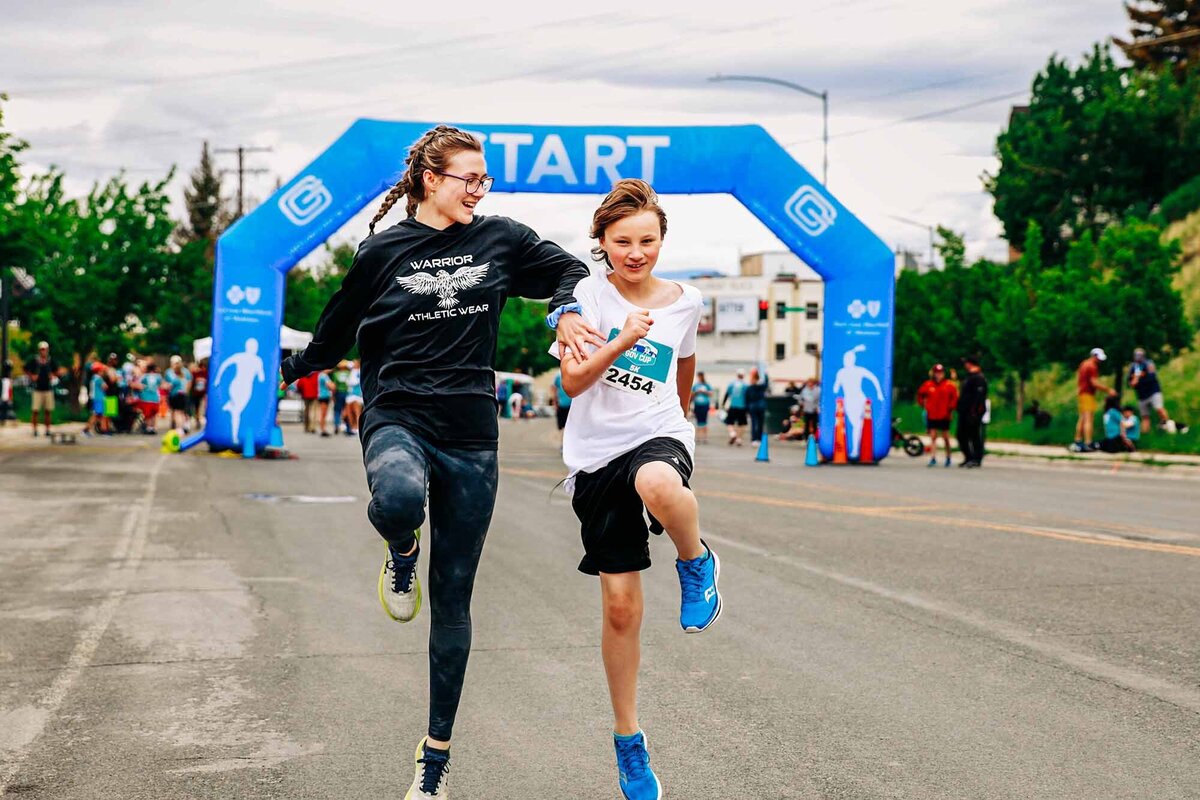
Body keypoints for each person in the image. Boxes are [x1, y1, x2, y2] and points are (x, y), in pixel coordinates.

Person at [277, 124, 596, 800]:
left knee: (452, 600)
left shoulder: (502, 239)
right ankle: (400, 550)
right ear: (431, 180)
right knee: (396, 500)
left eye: (485, 179)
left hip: (472, 433)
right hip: (398, 412)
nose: (481, 189)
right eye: (469, 178)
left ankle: (434, 759)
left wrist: (563, 310)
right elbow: (335, 329)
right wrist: (297, 366)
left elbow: (571, 268)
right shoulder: (382, 251)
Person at [553, 179, 720, 800]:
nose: (635, 251)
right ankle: (629, 740)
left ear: (661, 240)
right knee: (620, 608)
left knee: (657, 481)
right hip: (595, 458)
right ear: (601, 242)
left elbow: (683, 359)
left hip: (658, 437)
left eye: (647, 240)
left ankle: (695, 561)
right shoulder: (584, 299)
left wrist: (683, 419)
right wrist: (622, 339)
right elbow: (572, 383)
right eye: (622, 241)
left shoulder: (687, 299)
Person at [1127, 347, 1187, 434]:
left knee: (1159, 408)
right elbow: (1129, 381)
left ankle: (1169, 426)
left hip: (1153, 391)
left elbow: (1151, 377)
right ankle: (1145, 435)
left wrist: (1139, 377)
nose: (1138, 357)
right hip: (1142, 395)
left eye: (1139, 355)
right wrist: (1133, 381)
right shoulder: (1133, 367)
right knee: (1145, 416)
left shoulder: (1148, 363)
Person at [1071, 347, 1116, 452]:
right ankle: (1088, 442)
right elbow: (1094, 383)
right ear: (1094, 356)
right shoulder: (1092, 366)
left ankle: (1077, 440)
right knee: (1088, 419)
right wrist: (1108, 390)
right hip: (1088, 394)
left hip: (1082, 393)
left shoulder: (1083, 364)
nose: (1100, 361)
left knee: (1082, 418)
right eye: (1099, 358)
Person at [916, 363, 958, 468]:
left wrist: (950, 408)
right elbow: (920, 395)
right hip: (932, 414)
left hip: (944, 415)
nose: (939, 375)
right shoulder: (928, 385)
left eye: (941, 373)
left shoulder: (949, 385)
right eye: (937, 373)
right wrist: (925, 406)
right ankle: (933, 457)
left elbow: (954, 398)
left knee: (945, 437)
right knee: (933, 436)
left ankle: (948, 456)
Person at [956, 354, 988, 468]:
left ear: (970, 364)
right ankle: (968, 457)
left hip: (973, 412)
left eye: (966, 363)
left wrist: (974, 411)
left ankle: (976, 458)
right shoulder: (969, 377)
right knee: (961, 435)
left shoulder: (978, 378)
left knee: (974, 435)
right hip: (964, 411)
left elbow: (979, 396)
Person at [25, 341, 62, 437]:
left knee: (48, 411)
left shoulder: (50, 361)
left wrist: (53, 375)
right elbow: (25, 368)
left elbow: (59, 371)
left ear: (47, 350)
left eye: (45, 349)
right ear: (39, 350)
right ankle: (35, 429)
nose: (43, 351)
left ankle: (47, 429)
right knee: (35, 410)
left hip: (48, 389)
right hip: (37, 389)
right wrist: (32, 376)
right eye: (41, 349)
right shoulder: (34, 360)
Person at [133, 362, 164, 435]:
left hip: (146, 398)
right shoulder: (158, 377)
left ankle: (148, 428)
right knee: (153, 414)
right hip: (155, 398)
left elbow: (139, 385)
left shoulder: (144, 376)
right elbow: (161, 385)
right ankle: (153, 427)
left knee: (148, 415)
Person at [164, 355, 192, 432]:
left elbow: (189, 382)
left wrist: (186, 391)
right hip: (175, 394)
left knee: (178, 412)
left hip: (177, 395)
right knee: (180, 412)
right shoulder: (169, 372)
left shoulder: (183, 371)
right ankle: (180, 426)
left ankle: (179, 427)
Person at [723, 369, 748, 446]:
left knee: (729, 422)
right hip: (742, 406)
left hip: (733, 405)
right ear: (743, 376)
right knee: (742, 423)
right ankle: (739, 439)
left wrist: (723, 404)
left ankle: (732, 434)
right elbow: (747, 396)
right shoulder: (745, 385)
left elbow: (727, 394)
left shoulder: (732, 384)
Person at [745, 367, 769, 443]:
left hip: (753, 407)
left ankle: (754, 438)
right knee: (760, 423)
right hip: (761, 406)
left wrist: (747, 409)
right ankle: (759, 438)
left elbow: (747, 399)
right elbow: (766, 383)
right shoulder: (761, 387)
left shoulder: (749, 388)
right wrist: (765, 374)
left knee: (754, 423)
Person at [690, 371, 713, 444]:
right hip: (697, 404)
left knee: (704, 421)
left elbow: (711, 393)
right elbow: (692, 394)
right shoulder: (696, 385)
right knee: (698, 421)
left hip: (705, 404)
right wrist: (697, 392)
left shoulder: (707, 385)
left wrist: (704, 392)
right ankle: (698, 437)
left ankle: (705, 437)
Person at [552, 369, 571, 445]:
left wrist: (554, 402)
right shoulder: (576, 370)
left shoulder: (558, 375)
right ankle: (565, 444)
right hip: (570, 403)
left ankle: (563, 444)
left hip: (562, 404)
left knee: (562, 426)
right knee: (568, 426)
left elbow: (554, 389)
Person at [331, 360, 351, 434]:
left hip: (338, 393)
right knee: (347, 410)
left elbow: (334, 386)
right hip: (347, 393)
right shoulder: (349, 373)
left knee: (337, 410)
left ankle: (337, 424)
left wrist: (333, 396)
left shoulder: (336, 374)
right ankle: (348, 427)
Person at [344, 359, 363, 435]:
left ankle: (358, 429)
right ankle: (352, 428)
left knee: (357, 412)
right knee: (349, 413)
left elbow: (355, 383)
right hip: (350, 395)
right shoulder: (352, 371)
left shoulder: (359, 372)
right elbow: (342, 363)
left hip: (357, 395)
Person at [190, 359, 208, 430]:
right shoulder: (197, 374)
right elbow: (192, 383)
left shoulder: (205, 374)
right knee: (197, 408)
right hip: (197, 393)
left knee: (202, 407)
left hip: (202, 393)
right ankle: (198, 421)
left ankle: (200, 420)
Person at [316, 369, 334, 437]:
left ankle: (323, 428)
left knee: (323, 413)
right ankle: (323, 429)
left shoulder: (320, 375)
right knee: (323, 414)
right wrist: (333, 385)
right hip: (324, 396)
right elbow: (331, 386)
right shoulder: (324, 376)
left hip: (322, 395)